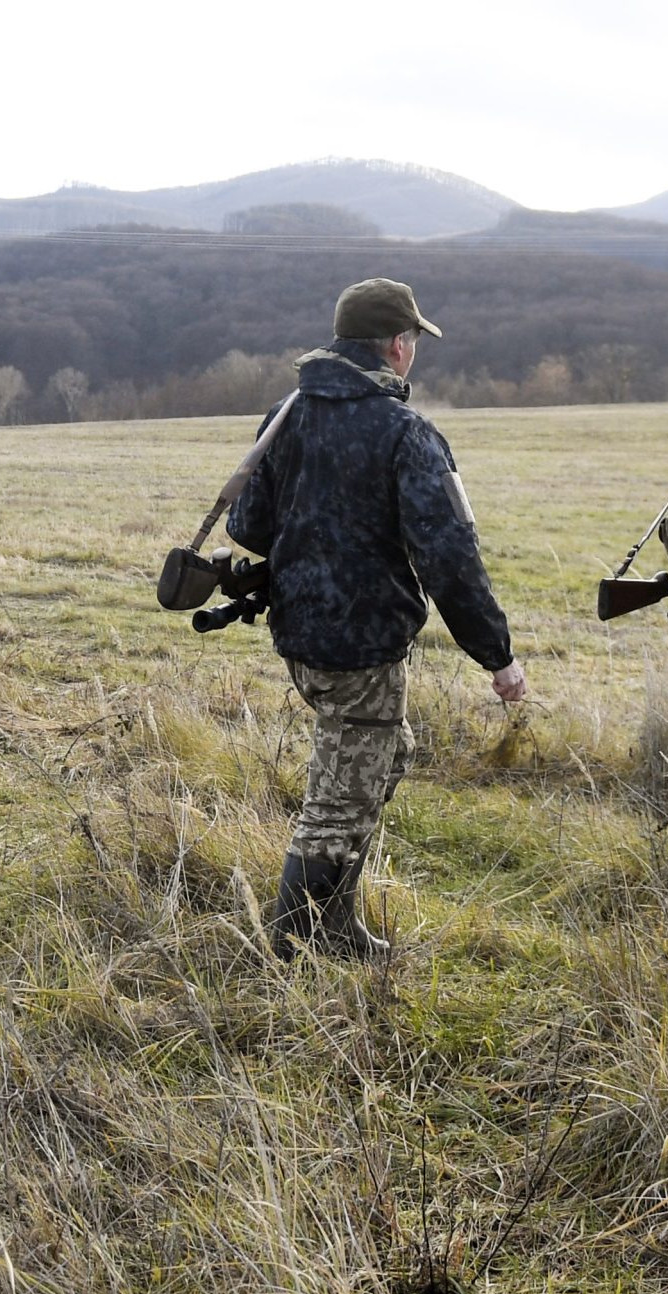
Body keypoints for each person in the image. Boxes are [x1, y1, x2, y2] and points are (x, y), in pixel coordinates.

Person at [228, 278, 527, 958]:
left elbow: (248, 525)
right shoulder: (406, 433)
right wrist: (498, 656)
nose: (412, 350)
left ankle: (336, 925)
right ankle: (299, 947)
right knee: (339, 802)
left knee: (386, 756)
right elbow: (450, 559)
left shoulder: (286, 413)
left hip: (299, 635)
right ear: (397, 344)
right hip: (361, 649)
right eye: (413, 339)